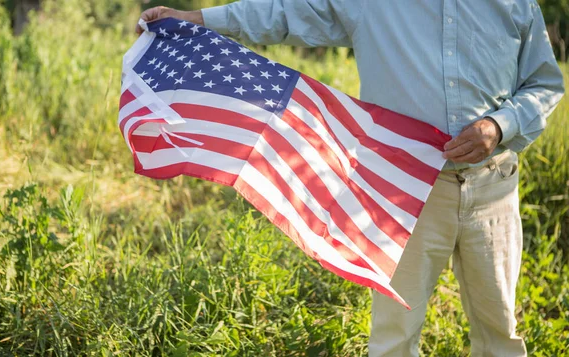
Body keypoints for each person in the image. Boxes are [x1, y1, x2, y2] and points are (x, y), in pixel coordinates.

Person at [136, 2, 565, 356]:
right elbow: (285, 14)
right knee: (393, 339)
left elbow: (544, 83)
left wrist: (500, 125)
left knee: (500, 336)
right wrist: (201, 20)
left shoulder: (515, 3)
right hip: (406, 192)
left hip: (495, 188)